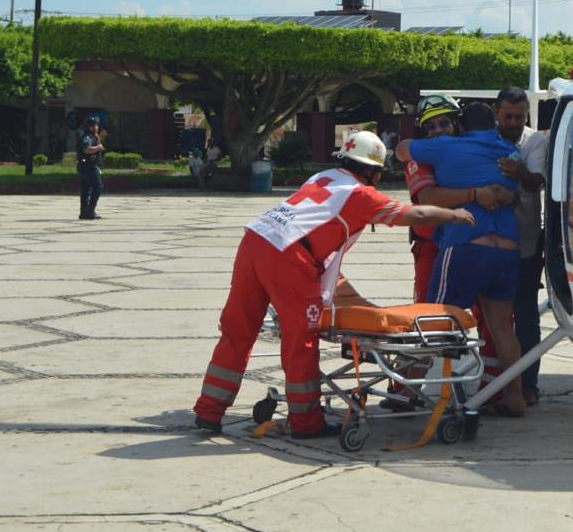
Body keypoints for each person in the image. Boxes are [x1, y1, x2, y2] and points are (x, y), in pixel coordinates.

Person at [192, 130, 474, 438]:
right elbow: (415, 213)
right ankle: (305, 422)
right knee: (301, 338)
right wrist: (453, 214)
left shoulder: (323, 177)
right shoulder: (361, 195)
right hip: (290, 255)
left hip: (256, 240)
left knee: (238, 330)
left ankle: (209, 411)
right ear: (373, 171)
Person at [396, 102, 528, 416]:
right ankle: (516, 397)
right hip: (507, 248)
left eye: (444, 124)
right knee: (502, 327)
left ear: (460, 126)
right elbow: (517, 187)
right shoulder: (510, 151)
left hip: (466, 245)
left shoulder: (445, 148)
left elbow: (402, 150)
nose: (438, 131)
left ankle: (406, 391)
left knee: (431, 320)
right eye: (432, 126)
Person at [494, 87, 547, 407]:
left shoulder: (535, 141)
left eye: (520, 117)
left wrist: (520, 172)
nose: (514, 123)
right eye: (508, 117)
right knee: (493, 320)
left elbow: (537, 182)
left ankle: (529, 385)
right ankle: (495, 384)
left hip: (525, 246)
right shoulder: (485, 139)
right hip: (491, 246)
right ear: (496, 113)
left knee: (526, 318)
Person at [76, 116, 106, 220]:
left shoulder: (93, 137)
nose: (97, 127)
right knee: (98, 187)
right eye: (95, 125)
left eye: (97, 125)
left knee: (86, 190)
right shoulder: (86, 137)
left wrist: (98, 139)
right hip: (88, 167)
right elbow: (87, 149)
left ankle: (84, 212)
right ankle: (90, 210)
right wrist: (98, 147)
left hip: (86, 166)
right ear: (89, 127)